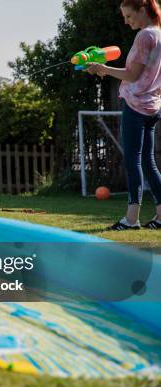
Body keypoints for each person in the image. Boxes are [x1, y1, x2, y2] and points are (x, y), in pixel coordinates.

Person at [86, 0, 161, 230]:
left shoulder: (144, 36)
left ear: (143, 10)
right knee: (148, 162)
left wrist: (103, 68)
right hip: (153, 106)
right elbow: (146, 71)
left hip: (136, 105)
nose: (127, 22)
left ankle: (131, 219)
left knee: (133, 160)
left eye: (129, 16)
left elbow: (133, 75)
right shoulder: (158, 35)